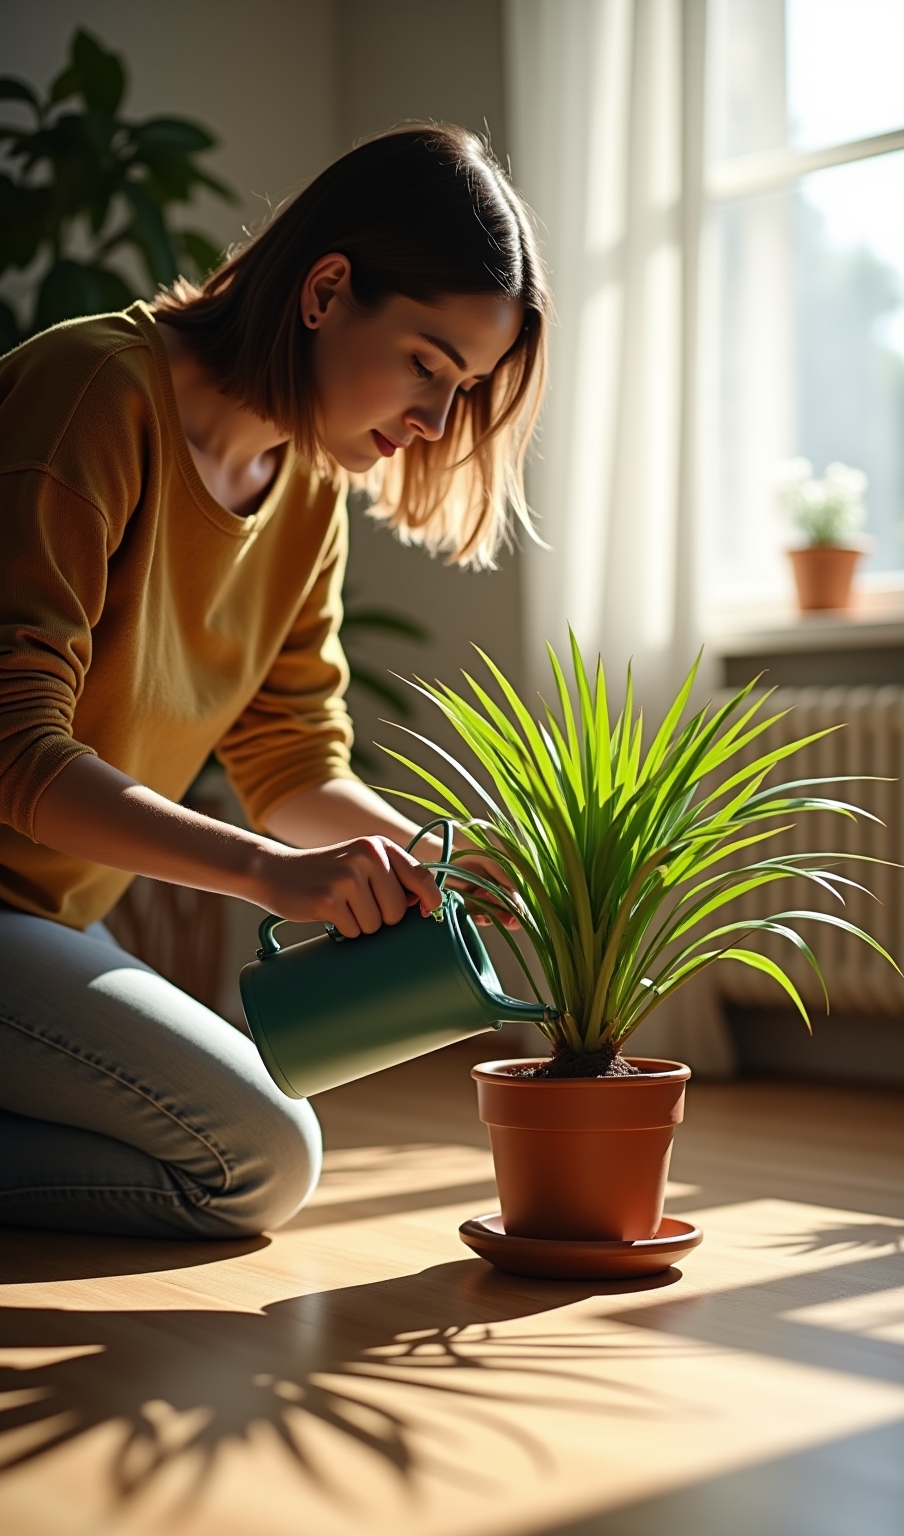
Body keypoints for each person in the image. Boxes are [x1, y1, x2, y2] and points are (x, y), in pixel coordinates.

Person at [0, 124, 550, 1240]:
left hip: (47, 919)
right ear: (328, 290)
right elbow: (12, 752)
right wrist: (269, 874)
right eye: (426, 366)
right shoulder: (91, 394)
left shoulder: (304, 491)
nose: (435, 424)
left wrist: (427, 861)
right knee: (254, 1156)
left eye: (465, 388)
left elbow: (290, 758)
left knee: (218, 1130)